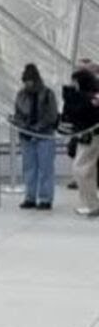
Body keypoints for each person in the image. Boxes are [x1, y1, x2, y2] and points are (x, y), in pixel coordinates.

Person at [13, 63, 58, 210]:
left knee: (45, 168)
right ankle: (30, 197)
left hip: (44, 136)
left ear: (36, 79)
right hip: (26, 136)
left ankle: (45, 198)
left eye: (30, 81)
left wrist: (37, 128)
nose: (28, 84)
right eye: (25, 81)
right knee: (29, 168)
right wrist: (24, 127)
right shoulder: (21, 95)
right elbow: (17, 115)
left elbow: (52, 116)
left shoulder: (48, 94)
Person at [65, 61, 99, 216]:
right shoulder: (84, 96)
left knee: (81, 169)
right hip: (85, 136)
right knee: (85, 170)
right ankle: (90, 203)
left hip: (92, 136)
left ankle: (92, 204)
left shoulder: (91, 97)